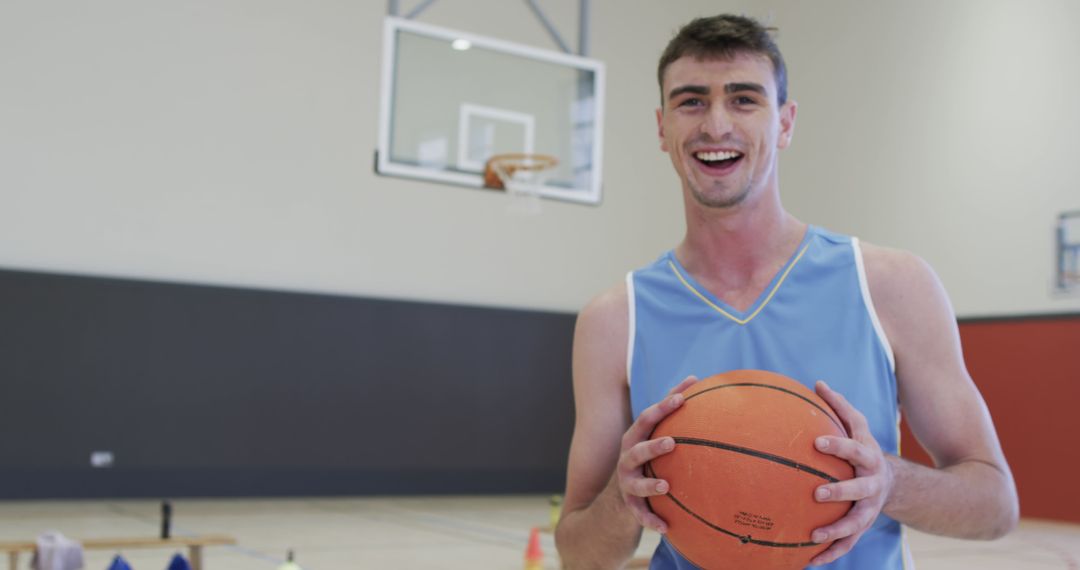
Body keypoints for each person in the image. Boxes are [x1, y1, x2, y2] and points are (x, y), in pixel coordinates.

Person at [554, 14, 1019, 570]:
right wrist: (622, 500)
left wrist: (886, 481)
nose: (716, 124)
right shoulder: (615, 320)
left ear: (785, 123)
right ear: (662, 128)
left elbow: (995, 505)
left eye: (745, 99)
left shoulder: (890, 285)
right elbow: (578, 554)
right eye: (691, 101)